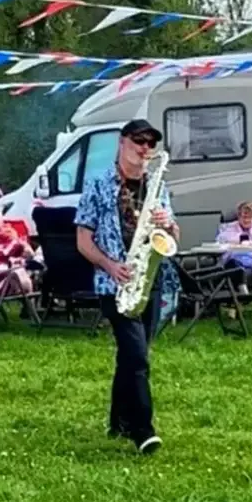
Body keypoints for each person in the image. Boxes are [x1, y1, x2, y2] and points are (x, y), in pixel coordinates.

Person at [74, 118, 180, 455]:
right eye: (139, 141)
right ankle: (143, 429)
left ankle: (118, 421)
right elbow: (82, 240)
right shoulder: (98, 184)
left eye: (151, 143)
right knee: (137, 357)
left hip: (151, 279)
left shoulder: (157, 185)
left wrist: (168, 224)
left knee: (132, 356)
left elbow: (174, 237)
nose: (145, 148)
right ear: (122, 142)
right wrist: (110, 265)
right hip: (113, 283)